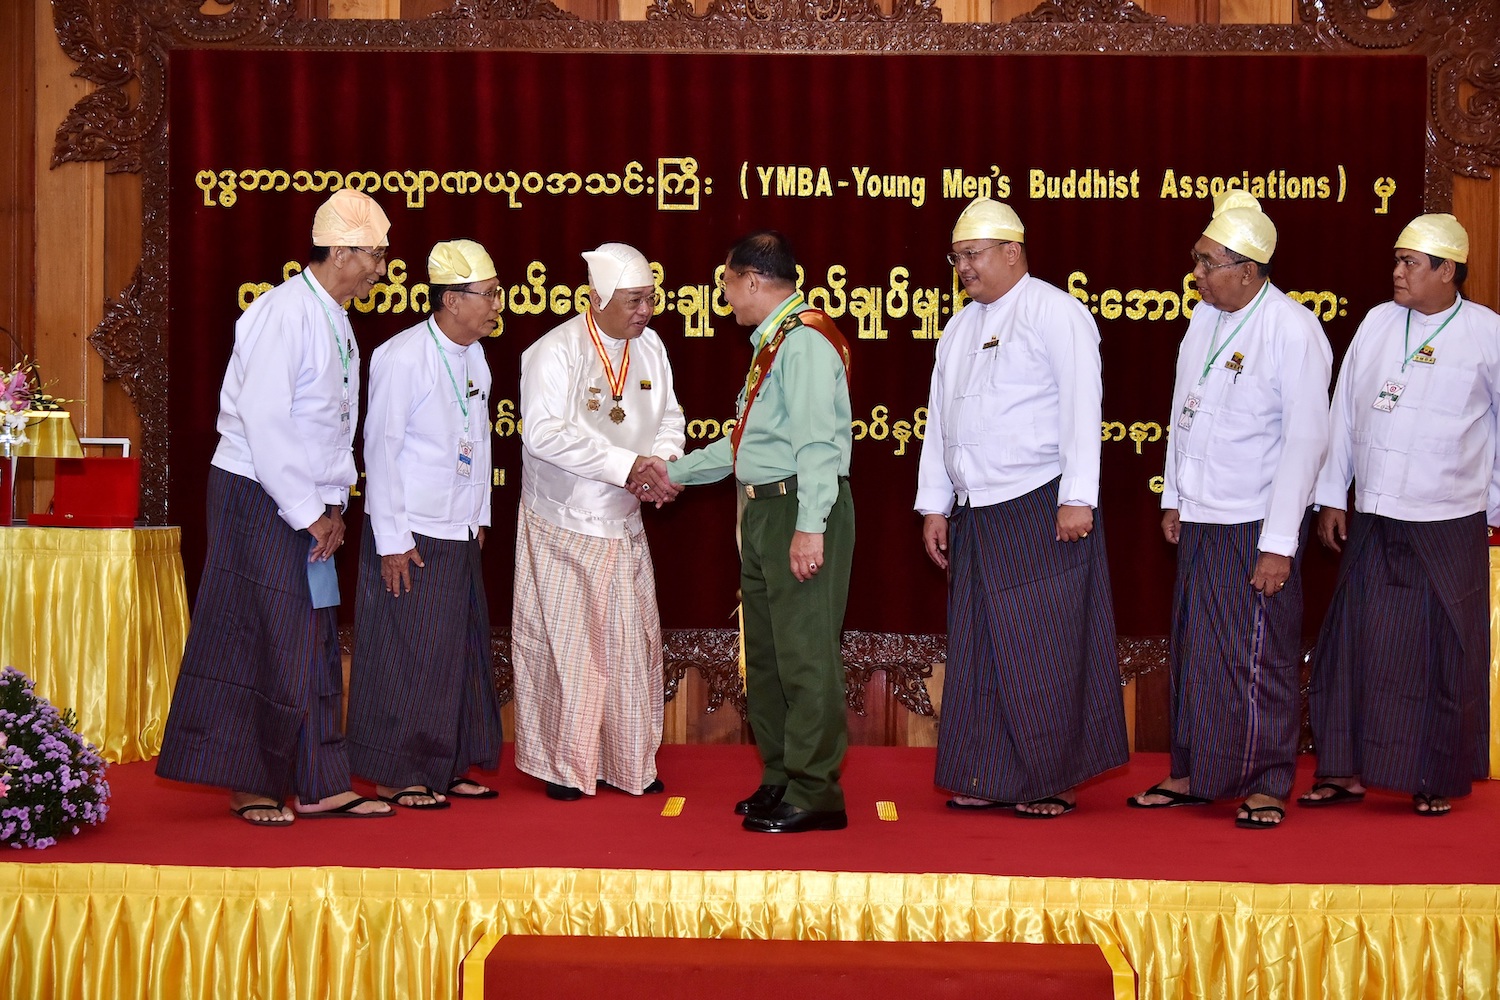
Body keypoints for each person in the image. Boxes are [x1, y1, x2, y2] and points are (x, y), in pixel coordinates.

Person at [156, 189, 395, 825]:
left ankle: (320, 781)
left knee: (313, 637)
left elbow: (327, 424)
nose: (381, 268)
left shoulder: (334, 316)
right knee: (261, 633)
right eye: (374, 255)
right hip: (259, 494)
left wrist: (333, 503)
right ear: (340, 250)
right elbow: (265, 423)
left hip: (303, 499)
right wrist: (306, 509)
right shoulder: (282, 313)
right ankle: (250, 784)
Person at [916, 197, 1128, 820]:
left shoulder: (1055, 312)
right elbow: (940, 422)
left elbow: (1082, 411)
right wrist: (935, 505)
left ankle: (1050, 780)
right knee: (981, 645)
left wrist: (1077, 499)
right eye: (956, 258)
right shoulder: (959, 326)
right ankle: (987, 774)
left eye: (972, 256)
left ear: (1013, 252)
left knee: (1042, 647)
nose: (963, 269)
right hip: (975, 510)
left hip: (1040, 502)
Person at [1128, 190, 1332, 830]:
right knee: (1196, 651)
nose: (1196, 273)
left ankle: (1268, 782)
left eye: (1207, 262)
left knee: (1257, 658)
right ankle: (1193, 774)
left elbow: (1305, 442)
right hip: (1203, 518)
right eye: (1196, 260)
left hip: (1255, 522)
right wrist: (1175, 497)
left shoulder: (1293, 329)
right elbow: (1181, 414)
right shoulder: (1204, 321)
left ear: (1248, 269)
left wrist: (1279, 543)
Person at [1302, 213, 1500, 817]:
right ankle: (1344, 771)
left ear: (1448, 271)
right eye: (1397, 260)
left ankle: (1436, 777)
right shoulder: (1378, 323)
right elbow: (1344, 412)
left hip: (1449, 517)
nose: (1397, 272)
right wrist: (1334, 493)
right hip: (1377, 513)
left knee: (1445, 650)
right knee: (1352, 643)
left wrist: (1494, 508)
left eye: (1410, 263)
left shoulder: (1487, 333)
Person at [665, 230, 854, 834]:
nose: (723, 295)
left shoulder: (804, 344)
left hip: (799, 507)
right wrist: (670, 473)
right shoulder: (773, 342)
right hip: (766, 509)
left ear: (749, 279)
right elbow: (746, 447)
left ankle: (816, 791)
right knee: (768, 657)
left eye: (725, 281)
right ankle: (781, 776)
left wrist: (809, 528)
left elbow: (817, 447)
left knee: (805, 656)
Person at [512, 242, 686, 801]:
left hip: (625, 518)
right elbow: (542, 434)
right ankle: (568, 767)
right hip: (564, 524)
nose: (645, 311)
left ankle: (630, 763)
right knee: (571, 653)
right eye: (634, 301)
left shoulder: (651, 347)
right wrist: (625, 465)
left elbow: (670, 416)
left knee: (632, 648)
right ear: (597, 298)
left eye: (651, 299)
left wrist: (662, 465)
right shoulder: (555, 351)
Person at [345, 239, 505, 810]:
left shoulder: (475, 356)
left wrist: (479, 514)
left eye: (494, 294)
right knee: (405, 654)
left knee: (455, 653)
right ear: (450, 300)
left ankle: (446, 764)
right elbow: (380, 452)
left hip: (458, 529)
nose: (495, 306)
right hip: (409, 535)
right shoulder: (401, 356)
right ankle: (397, 773)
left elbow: (478, 440)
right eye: (486, 296)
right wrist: (391, 540)